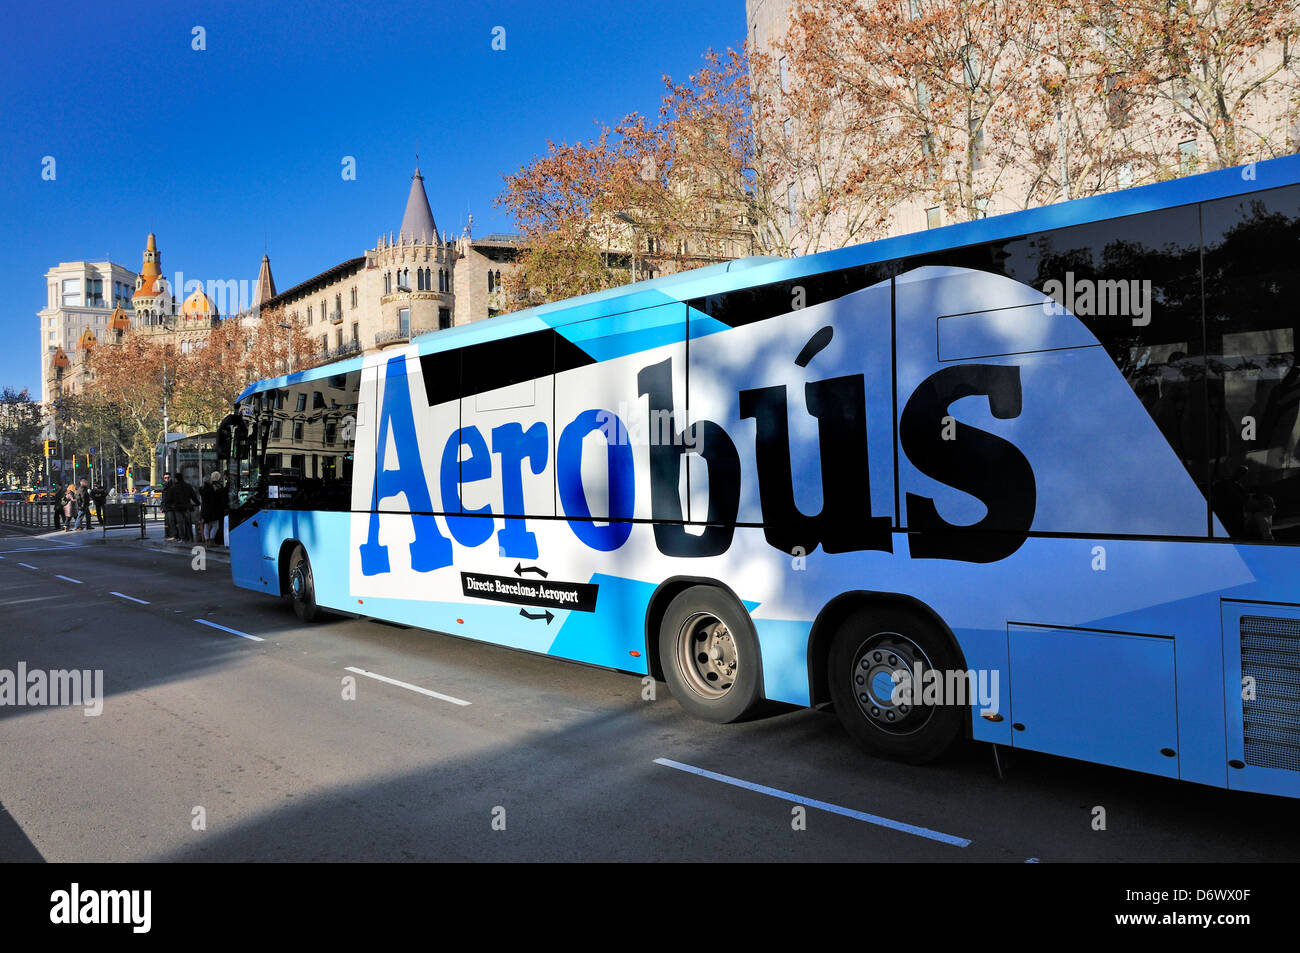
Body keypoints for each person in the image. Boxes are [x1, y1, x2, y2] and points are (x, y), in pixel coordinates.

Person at [199, 472, 227, 545]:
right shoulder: (213, 488)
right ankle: (211, 540)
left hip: (204, 509)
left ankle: (207, 540)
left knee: (206, 525)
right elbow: (217, 498)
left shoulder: (201, 488)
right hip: (213, 509)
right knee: (215, 525)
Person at [162, 471, 180, 541]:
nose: (166, 479)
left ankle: (174, 535)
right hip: (167, 506)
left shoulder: (172, 485)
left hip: (170, 506)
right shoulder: (165, 485)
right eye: (165, 478)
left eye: (168, 478)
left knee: (172, 521)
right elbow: (164, 497)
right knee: (168, 522)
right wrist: (162, 506)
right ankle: (169, 534)